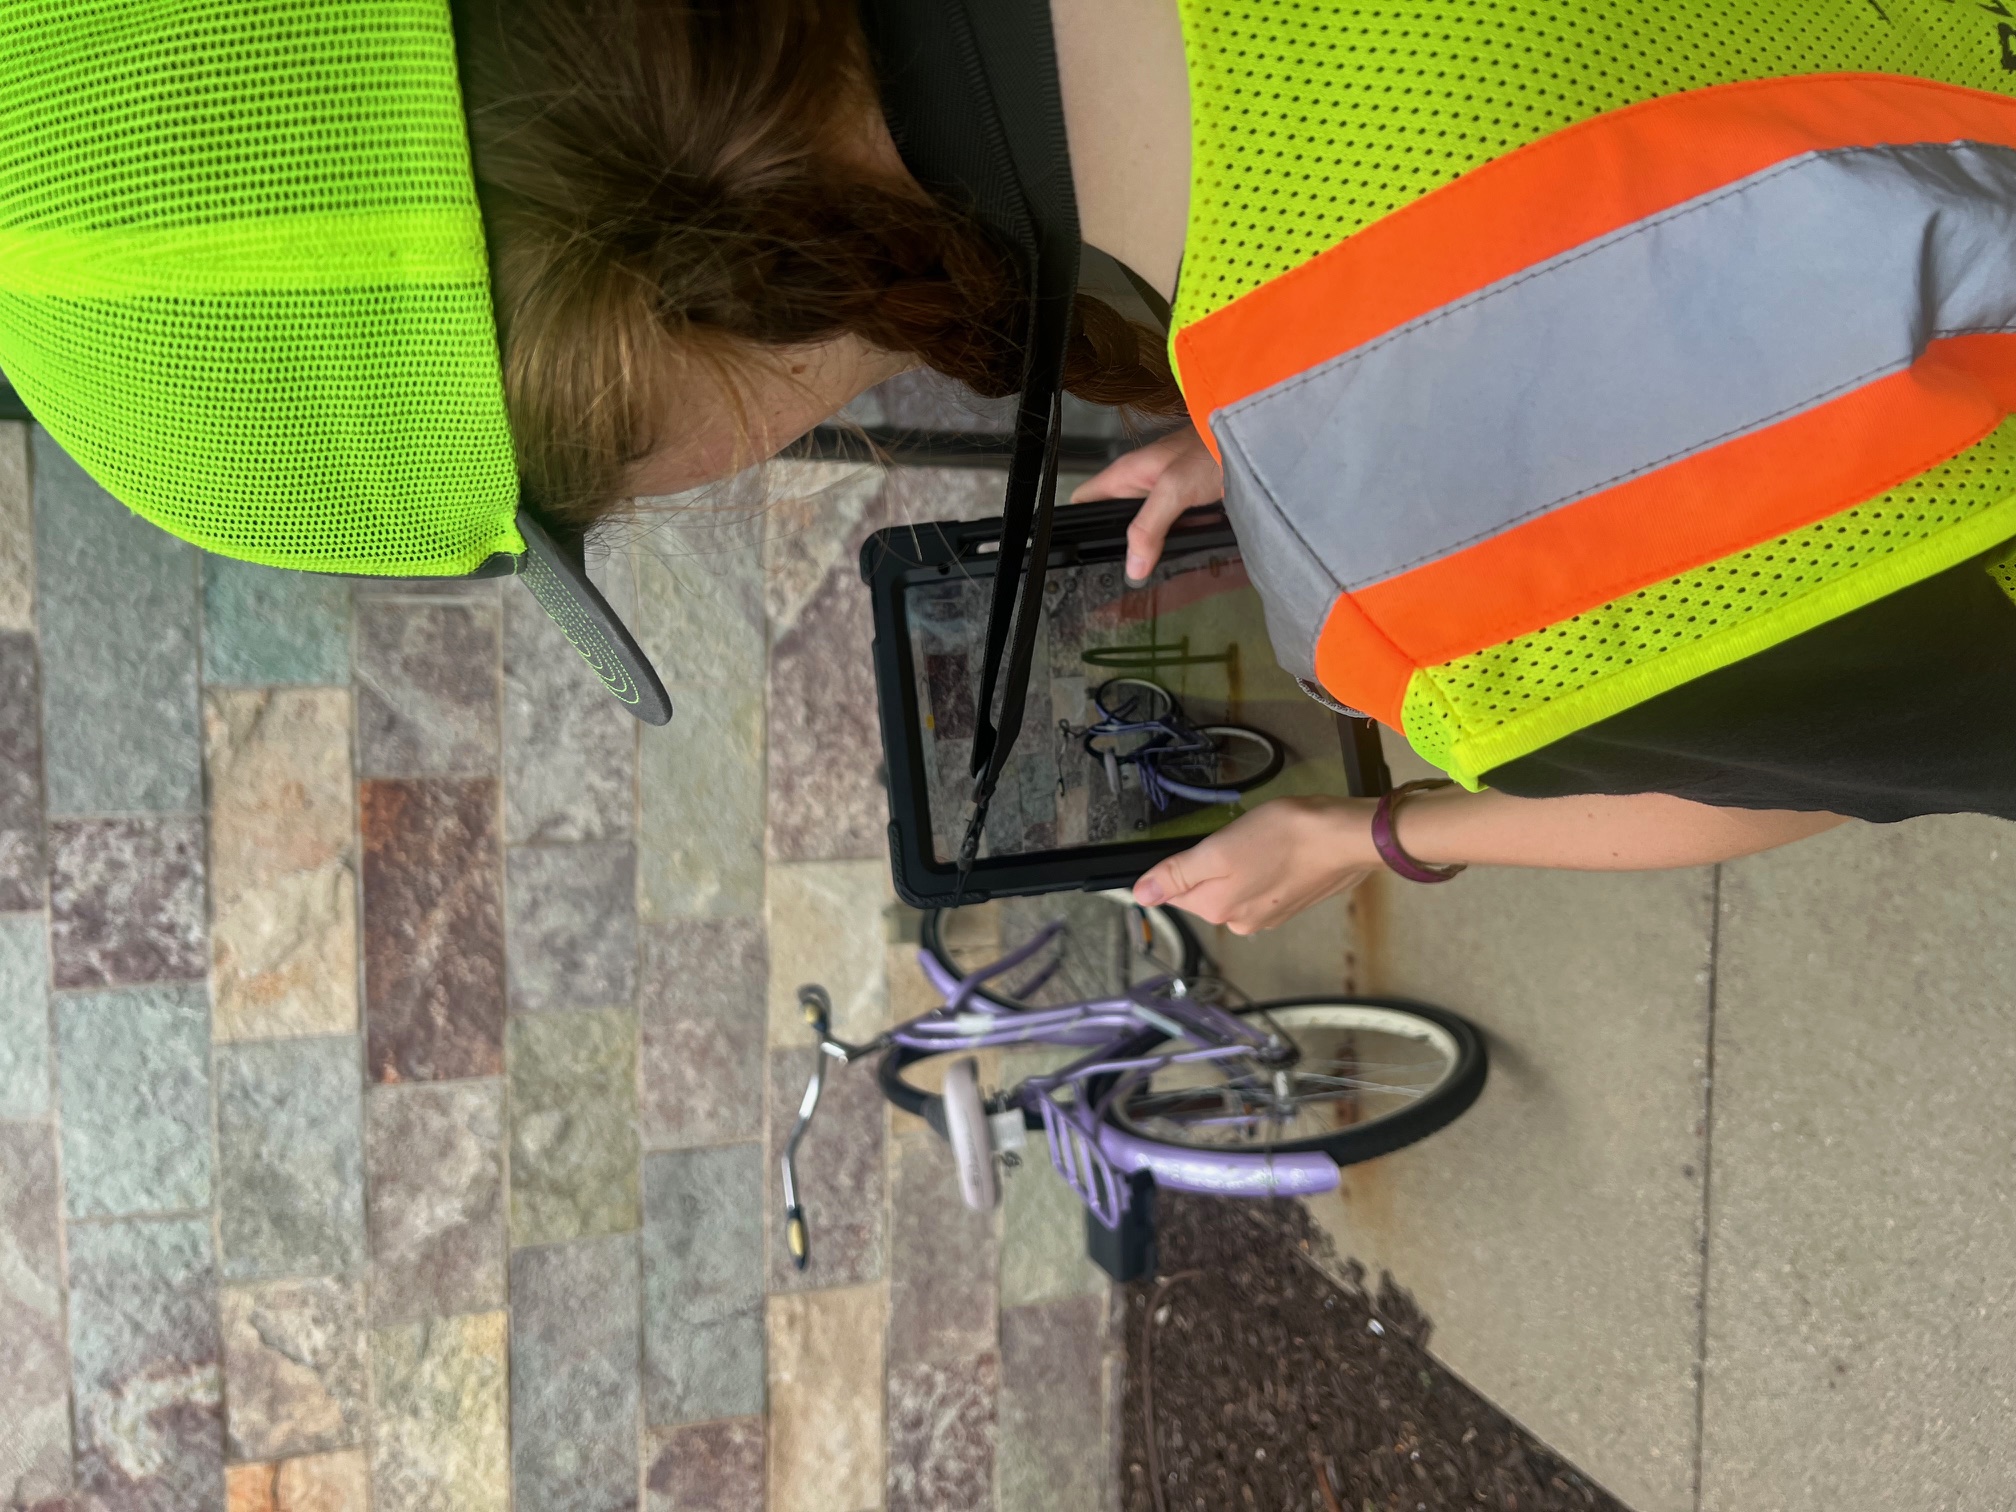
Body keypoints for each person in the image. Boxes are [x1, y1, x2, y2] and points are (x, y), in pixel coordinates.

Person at [456, 0, 2016, 932]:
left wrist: (1375, 830)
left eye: (614, 485)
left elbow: (1838, 765)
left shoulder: (1420, 575)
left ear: (660, 333)